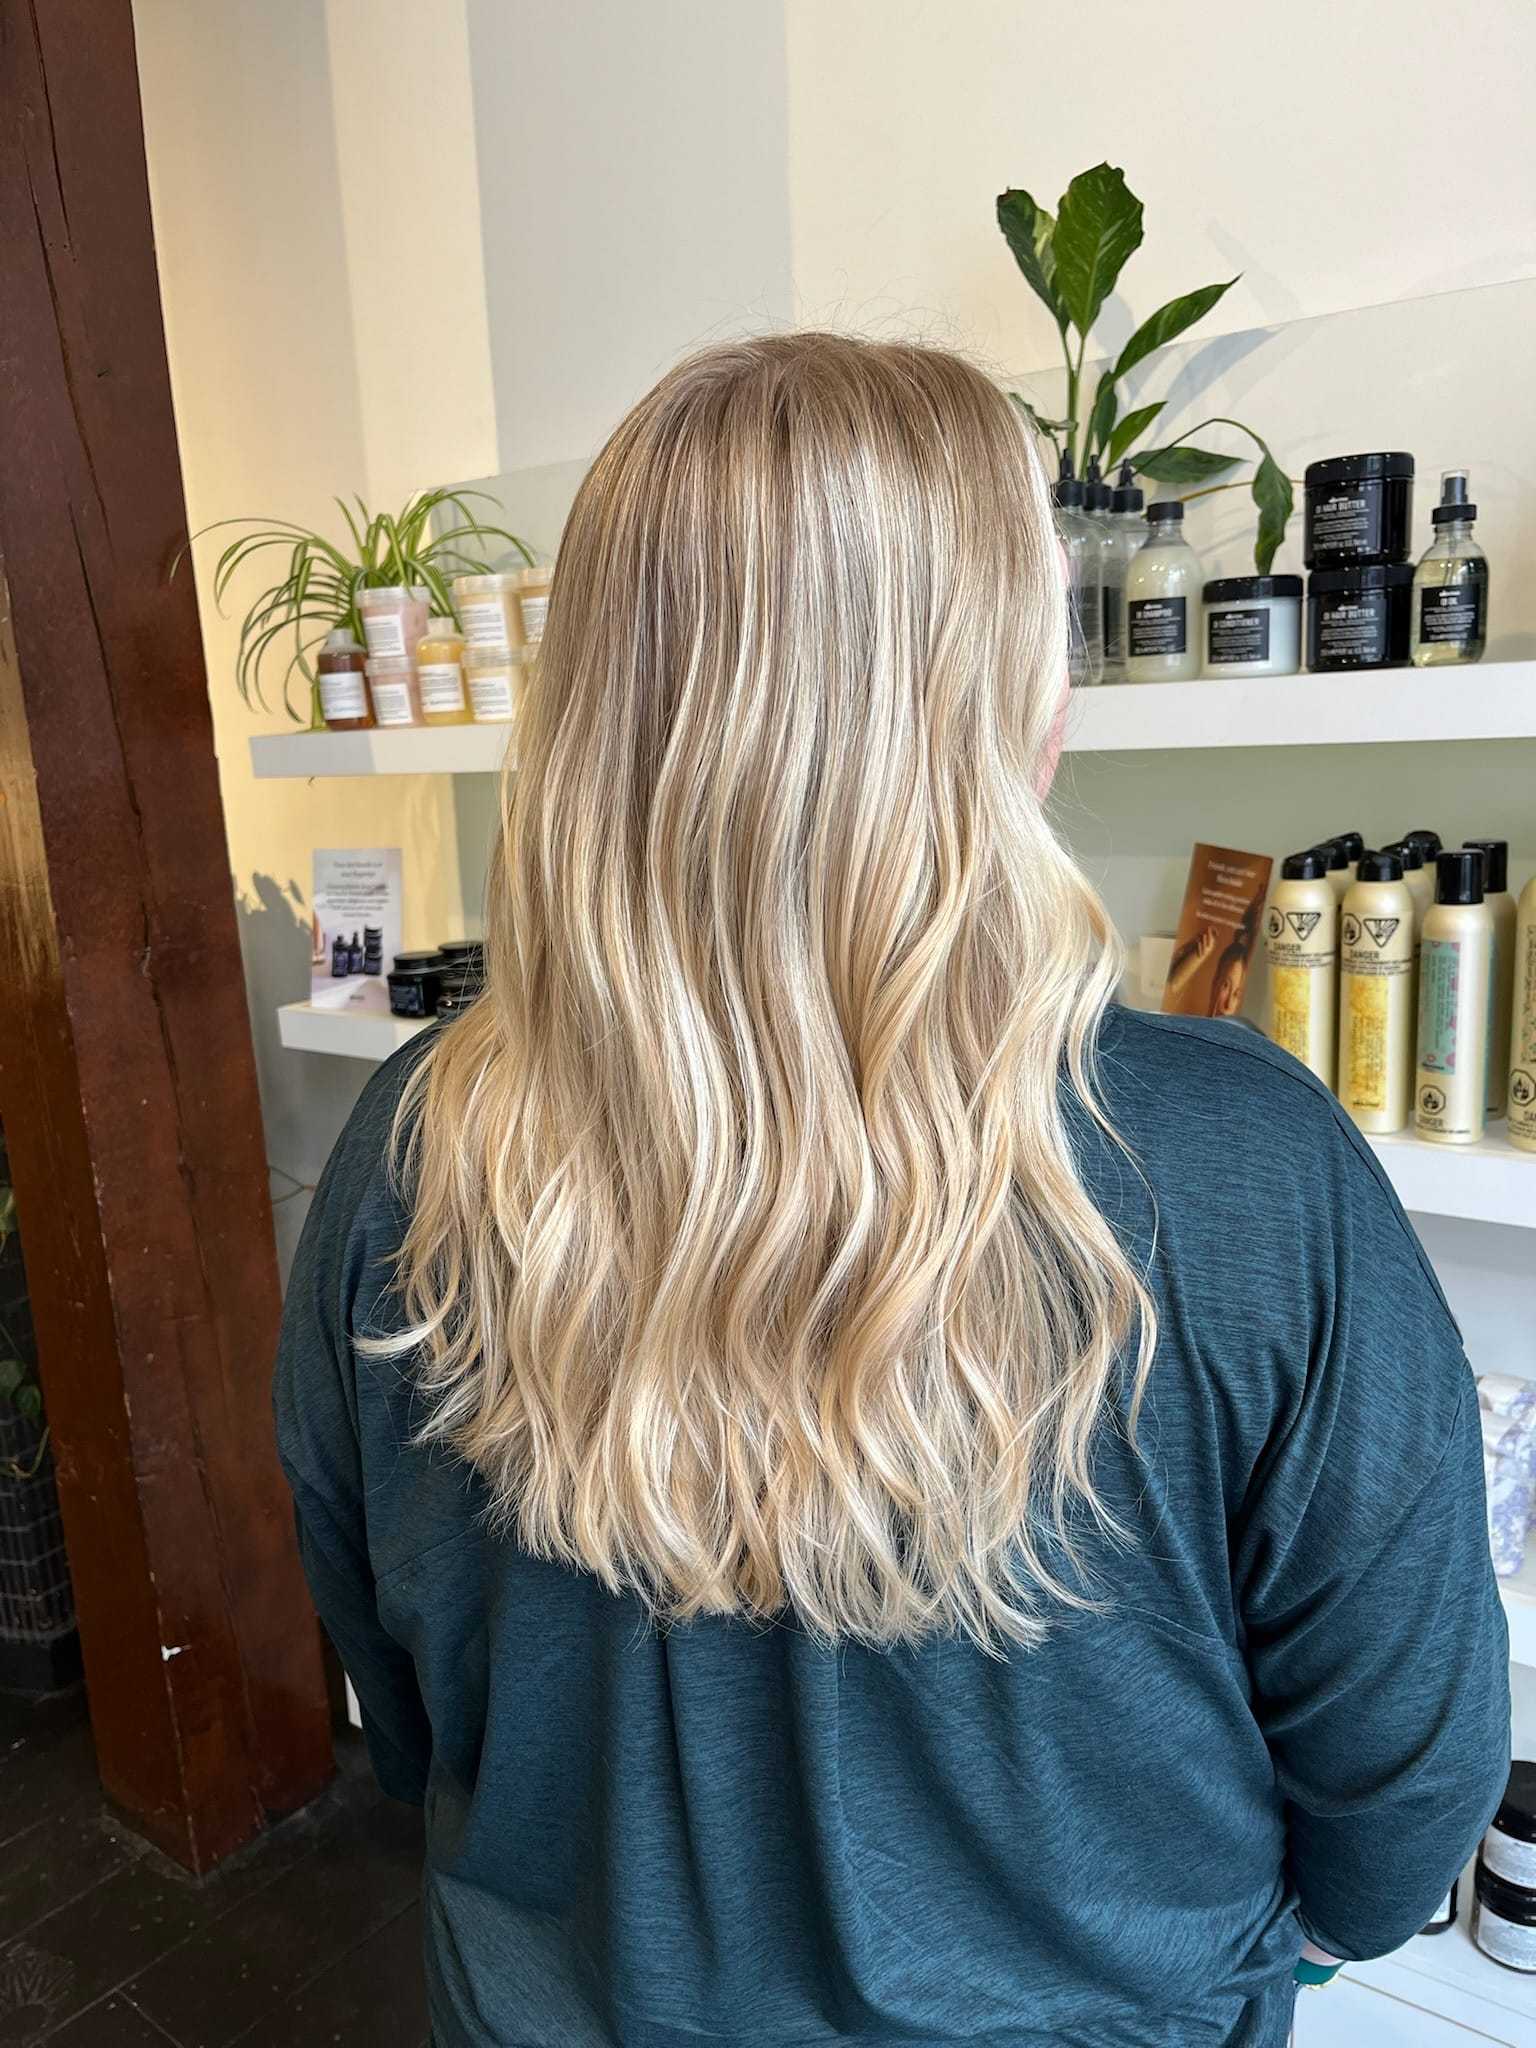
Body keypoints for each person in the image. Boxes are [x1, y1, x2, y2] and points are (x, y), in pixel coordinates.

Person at [274, 334, 1508, 2048]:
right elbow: (1405, 1792)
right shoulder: (1246, 1167)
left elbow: (404, 1710)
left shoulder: (415, 1144)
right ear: (1016, 698)